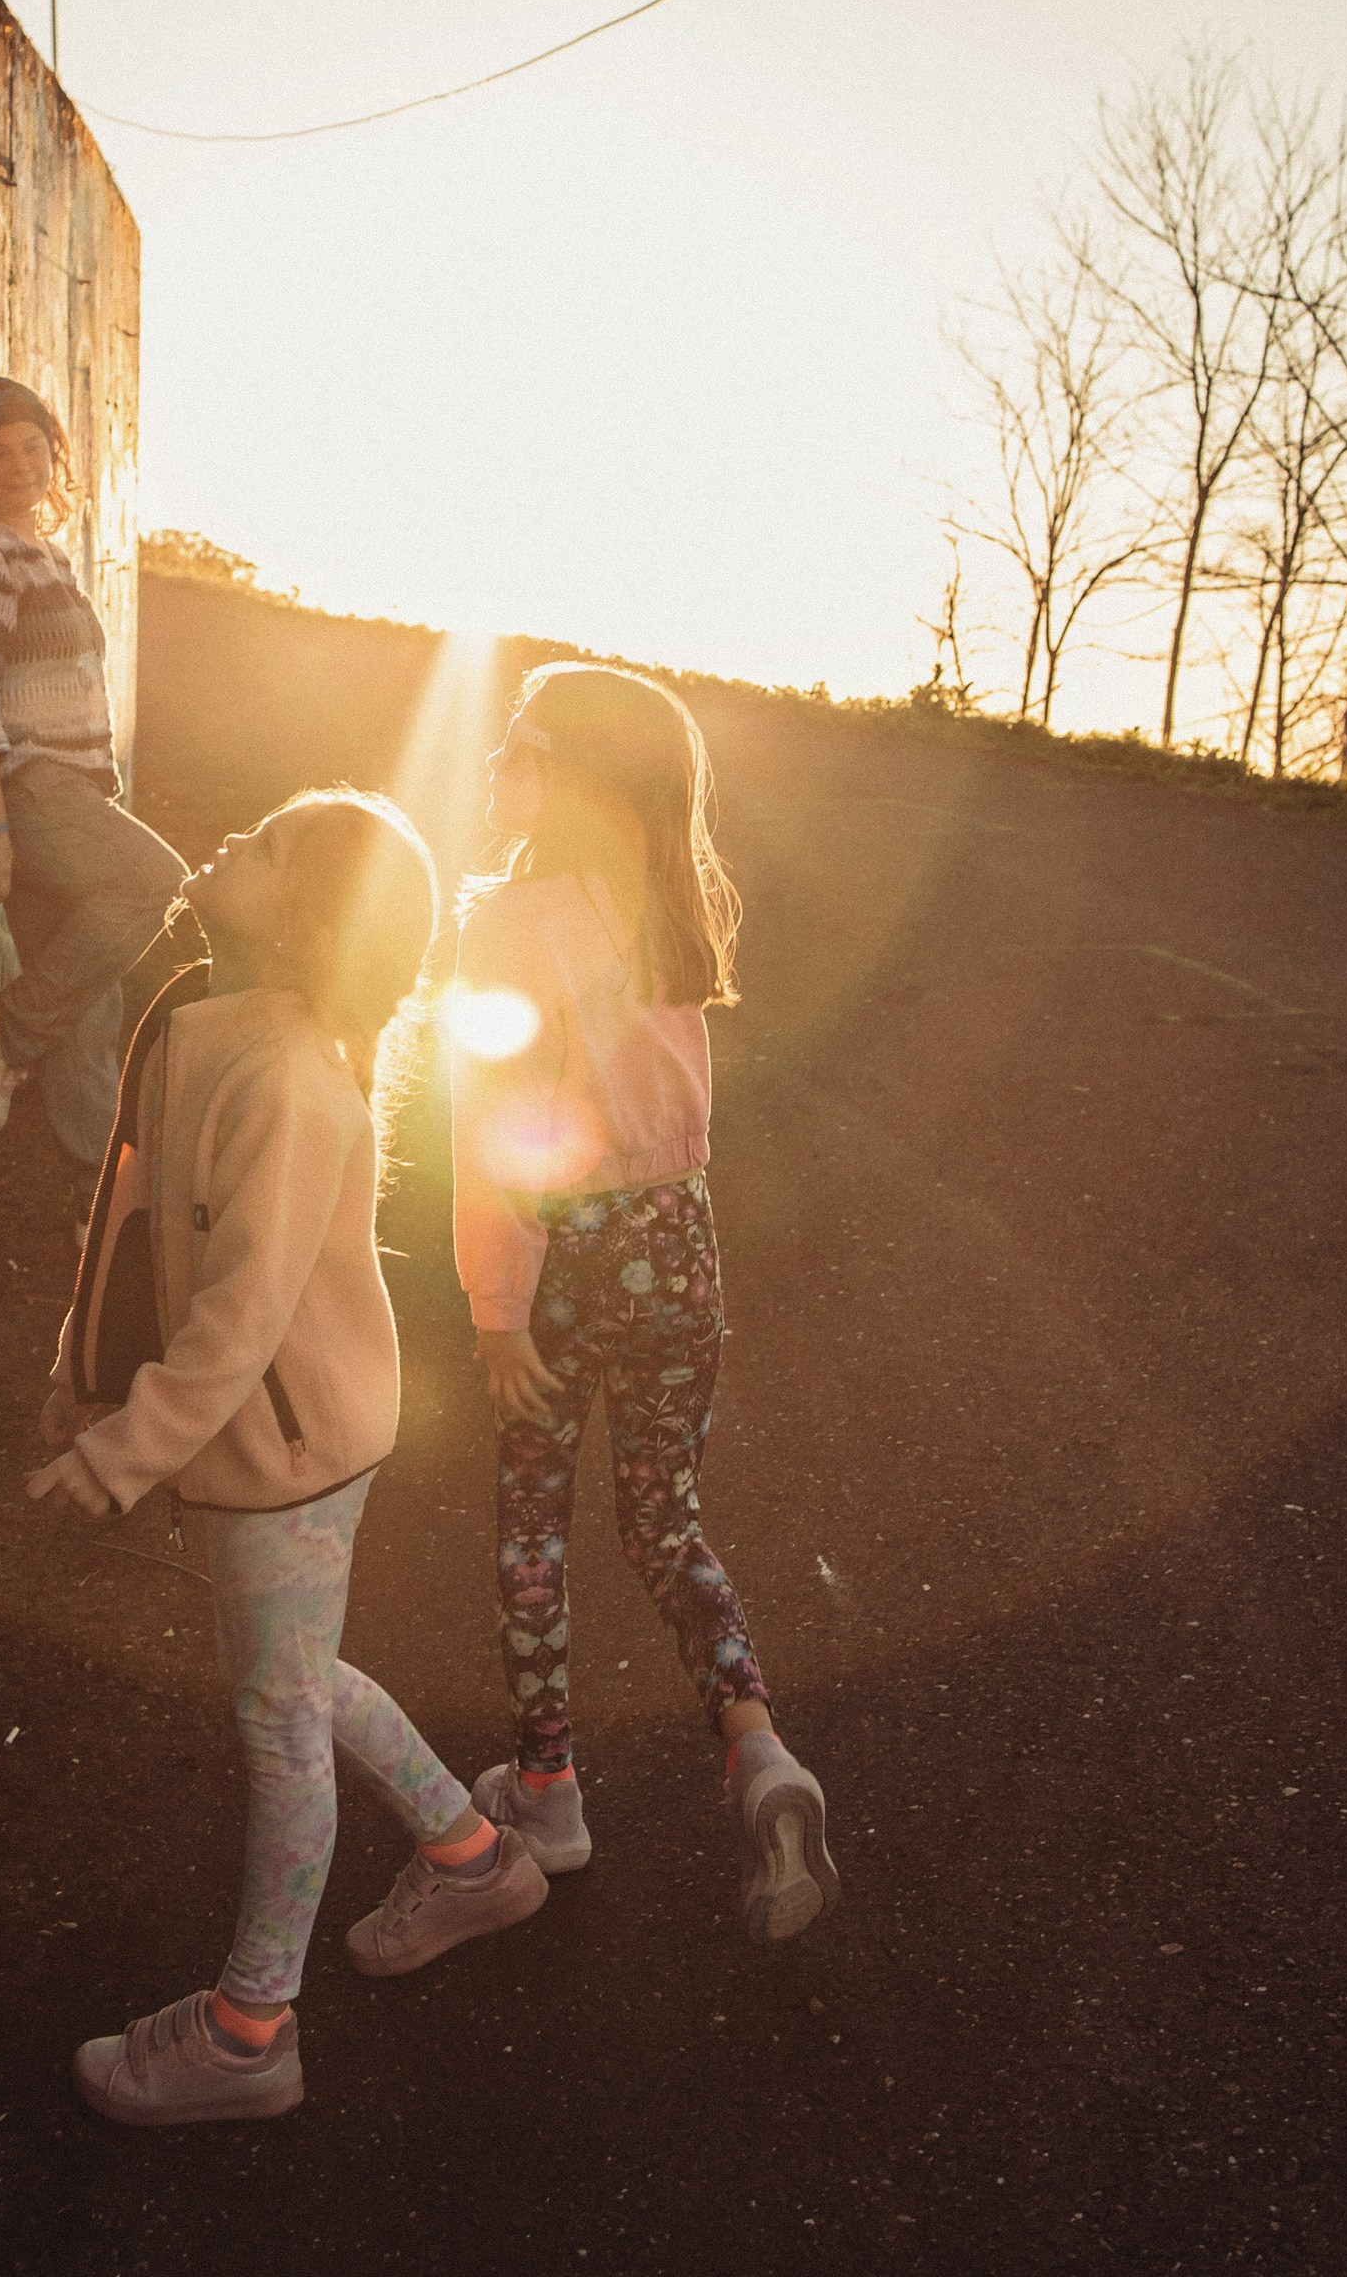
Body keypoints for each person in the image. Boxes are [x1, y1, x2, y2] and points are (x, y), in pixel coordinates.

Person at [28, 790, 548, 2126]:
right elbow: (138, 1231)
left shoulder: (287, 1080)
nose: (227, 840)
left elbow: (241, 1311)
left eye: (260, 847)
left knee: (278, 1720)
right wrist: (80, 1382)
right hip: (263, 1435)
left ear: (312, 923)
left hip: (290, 1449)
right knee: (297, 1680)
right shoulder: (207, 1025)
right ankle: (474, 1851)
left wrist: (130, 1442)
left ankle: (253, 2032)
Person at [448, 663, 840, 1943]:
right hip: (682, 1240)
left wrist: (496, 1306)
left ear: (570, 773)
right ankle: (757, 1751)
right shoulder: (675, 909)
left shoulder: (512, 922)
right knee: (665, 1521)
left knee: (532, 1528)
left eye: (518, 742)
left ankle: (549, 1791)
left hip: (567, 1250)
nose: (498, 762)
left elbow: (497, 1127)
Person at [0, 378, 187, 1212]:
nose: (19, 465)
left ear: (55, 449)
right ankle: (7, 1041)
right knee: (152, 883)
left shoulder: (38, 549)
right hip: (25, 787)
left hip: (60, 787)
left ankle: (97, 1207)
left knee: (91, 1005)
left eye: (33, 445)